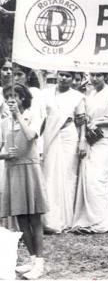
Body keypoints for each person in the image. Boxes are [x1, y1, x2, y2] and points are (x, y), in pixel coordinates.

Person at [0, 84, 48, 279]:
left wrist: (18, 115)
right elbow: (1, 149)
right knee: (20, 218)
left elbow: (30, 136)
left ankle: (40, 262)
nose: (12, 100)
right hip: (12, 170)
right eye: (8, 96)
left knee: (34, 218)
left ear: (24, 99)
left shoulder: (32, 115)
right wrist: (4, 155)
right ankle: (32, 258)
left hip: (30, 168)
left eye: (16, 96)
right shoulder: (3, 123)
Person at [72, 72, 108, 234]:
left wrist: (100, 122)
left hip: (106, 140)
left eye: (98, 75)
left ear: (105, 76)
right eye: (92, 76)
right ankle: (89, 220)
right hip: (91, 139)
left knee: (97, 179)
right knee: (88, 178)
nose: (94, 79)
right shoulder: (91, 93)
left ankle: (103, 222)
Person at [41, 71, 86, 234]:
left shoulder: (77, 97)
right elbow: (41, 117)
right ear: (57, 75)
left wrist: (82, 141)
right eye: (62, 75)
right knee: (49, 174)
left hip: (68, 135)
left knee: (67, 174)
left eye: (68, 76)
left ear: (73, 79)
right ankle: (48, 219)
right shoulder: (45, 93)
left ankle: (64, 219)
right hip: (50, 134)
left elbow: (81, 121)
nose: (64, 78)